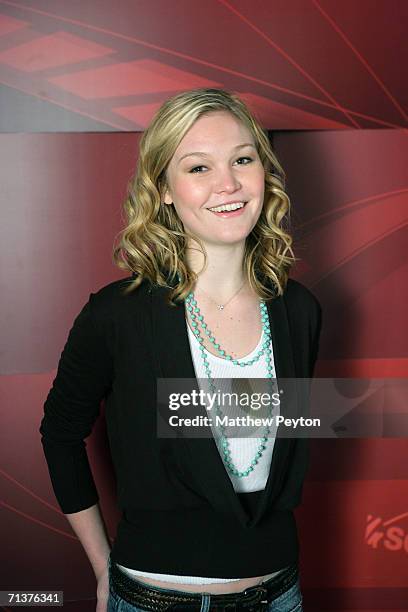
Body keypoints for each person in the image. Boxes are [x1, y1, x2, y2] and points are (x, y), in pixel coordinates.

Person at [39, 87, 322, 612]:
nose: (229, 184)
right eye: (198, 168)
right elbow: (59, 434)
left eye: (243, 159)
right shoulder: (116, 315)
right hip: (150, 597)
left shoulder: (299, 310)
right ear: (163, 189)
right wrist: (104, 570)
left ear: (265, 171)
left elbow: (278, 443)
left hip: (280, 594)